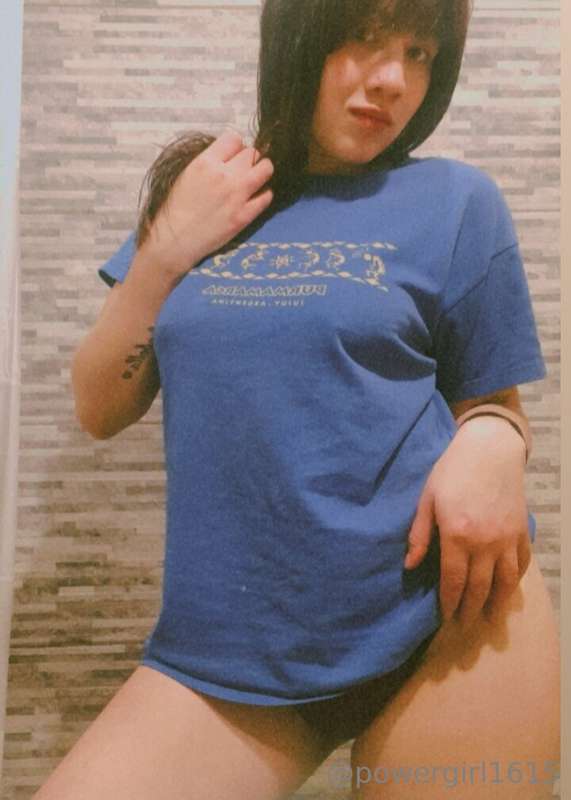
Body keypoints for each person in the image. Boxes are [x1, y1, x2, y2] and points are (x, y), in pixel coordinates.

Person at [36, 0, 560, 798]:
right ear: (296, 38)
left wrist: (495, 441)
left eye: (419, 53)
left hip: (450, 613)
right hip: (232, 652)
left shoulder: (457, 200)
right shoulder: (207, 192)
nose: (391, 79)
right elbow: (99, 408)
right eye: (362, 38)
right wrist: (166, 250)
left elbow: (491, 402)